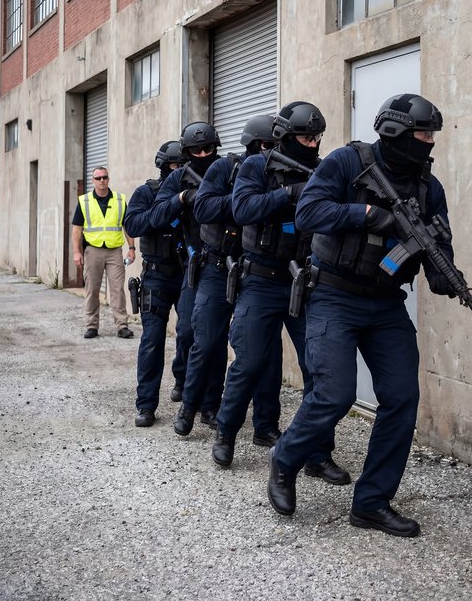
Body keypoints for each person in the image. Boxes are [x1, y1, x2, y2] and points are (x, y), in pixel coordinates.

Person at [267, 93, 457, 538]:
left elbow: (439, 241)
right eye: (422, 134)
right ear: (395, 133)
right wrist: (370, 214)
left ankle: (371, 502)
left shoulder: (429, 187)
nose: (429, 143)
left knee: (401, 398)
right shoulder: (346, 163)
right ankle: (286, 458)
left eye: (431, 135)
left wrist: (445, 272)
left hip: (387, 302)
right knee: (334, 395)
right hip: (334, 295)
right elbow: (310, 212)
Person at [212, 101, 350, 487]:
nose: (313, 143)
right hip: (260, 280)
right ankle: (226, 433)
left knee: (319, 372)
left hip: (305, 282)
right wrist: (291, 194)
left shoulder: (322, 167)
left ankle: (318, 455)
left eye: (317, 137)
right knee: (250, 362)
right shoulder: (257, 166)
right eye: (306, 137)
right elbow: (242, 210)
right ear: (285, 137)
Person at [174, 115, 283, 442]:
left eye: (275, 146)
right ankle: (189, 408)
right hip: (217, 269)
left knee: (267, 352)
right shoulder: (226, 169)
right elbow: (204, 209)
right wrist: (244, 202)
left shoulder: (278, 176)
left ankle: (265, 426)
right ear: (250, 145)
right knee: (204, 342)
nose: (270, 152)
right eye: (265, 146)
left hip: (257, 274)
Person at [149, 122, 226, 423]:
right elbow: (154, 216)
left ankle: (210, 404)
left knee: (216, 340)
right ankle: (185, 389)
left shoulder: (227, 170)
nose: (204, 154)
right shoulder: (180, 177)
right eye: (197, 150)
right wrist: (181, 199)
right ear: (187, 152)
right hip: (196, 265)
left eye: (208, 149)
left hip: (228, 264)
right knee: (189, 333)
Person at [124, 141, 188, 427]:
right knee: (152, 341)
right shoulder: (146, 192)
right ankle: (146, 405)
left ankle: (183, 381)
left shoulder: (196, 191)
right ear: (164, 167)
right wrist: (168, 208)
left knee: (191, 333)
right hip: (156, 275)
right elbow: (133, 225)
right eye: (176, 167)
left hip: (188, 273)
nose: (181, 171)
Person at [72, 166, 135, 339]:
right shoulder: (84, 201)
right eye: (98, 178)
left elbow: (127, 226)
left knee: (117, 289)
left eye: (104, 177)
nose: (102, 181)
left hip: (114, 251)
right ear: (93, 180)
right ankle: (91, 325)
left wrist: (131, 248)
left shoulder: (120, 200)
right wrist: (77, 252)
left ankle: (122, 325)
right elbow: (77, 230)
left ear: (108, 179)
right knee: (92, 289)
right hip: (93, 251)